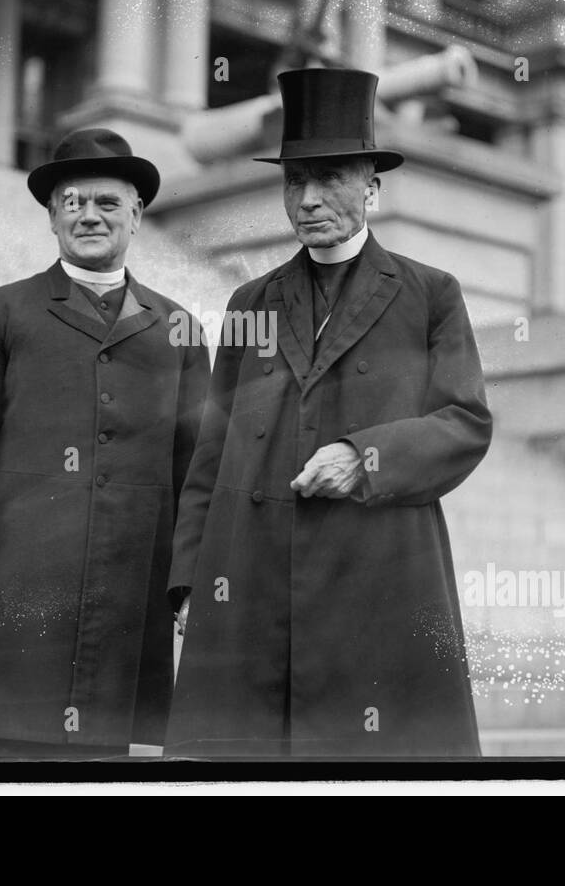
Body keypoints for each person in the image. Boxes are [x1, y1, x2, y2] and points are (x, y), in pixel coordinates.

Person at [165, 68, 493, 757]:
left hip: (375, 578)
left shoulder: (430, 295)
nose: (308, 200)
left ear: (372, 185)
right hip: (249, 583)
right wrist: (190, 581)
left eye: (331, 178)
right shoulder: (251, 303)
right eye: (294, 181)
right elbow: (212, 449)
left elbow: (465, 421)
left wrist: (364, 457)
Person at [0, 128, 209, 759]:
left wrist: (189, 582)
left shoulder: (180, 330)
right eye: (72, 202)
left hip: (127, 593)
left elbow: (197, 470)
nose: (88, 215)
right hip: (18, 587)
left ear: (136, 215)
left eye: (107, 203)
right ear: (53, 217)